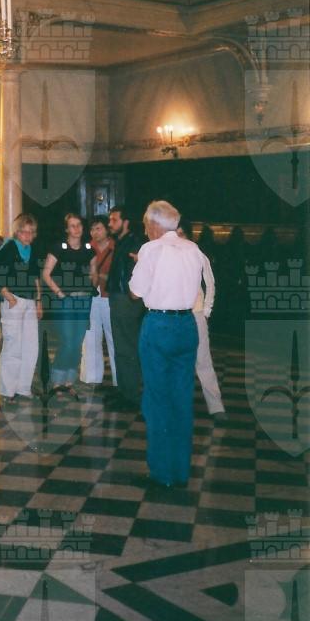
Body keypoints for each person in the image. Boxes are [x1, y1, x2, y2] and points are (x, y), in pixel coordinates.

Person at [129, 200, 204, 489]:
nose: (145, 230)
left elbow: (135, 292)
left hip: (159, 326)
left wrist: (141, 265)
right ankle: (180, 471)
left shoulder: (151, 249)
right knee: (182, 399)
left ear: (155, 224)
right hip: (187, 325)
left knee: (157, 399)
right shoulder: (193, 249)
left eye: (146, 224)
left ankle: (161, 473)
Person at [0, 213, 42, 404]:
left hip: (29, 301)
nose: (27, 236)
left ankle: (23, 387)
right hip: (14, 300)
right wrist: (8, 296)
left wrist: (39, 300)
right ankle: (7, 390)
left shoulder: (31, 250)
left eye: (31, 232)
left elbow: (36, 277)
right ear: (17, 232)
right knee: (13, 346)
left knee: (31, 346)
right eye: (24, 232)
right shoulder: (8, 248)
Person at [42, 213, 95, 399]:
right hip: (65, 301)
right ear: (66, 229)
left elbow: (94, 273)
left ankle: (69, 381)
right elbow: (46, 274)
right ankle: (57, 380)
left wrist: (92, 284)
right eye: (72, 225)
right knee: (67, 341)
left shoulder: (88, 249)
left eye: (79, 225)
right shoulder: (59, 248)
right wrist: (59, 293)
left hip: (84, 300)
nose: (76, 229)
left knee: (77, 342)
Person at [178, 219, 226, 421]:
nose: (178, 238)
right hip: (174, 315)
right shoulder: (166, 256)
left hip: (195, 313)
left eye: (181, 234)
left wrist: (206, 310)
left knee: (203, 360)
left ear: (188, 235)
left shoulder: (196, 253)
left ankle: (216, 406)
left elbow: (210, 282)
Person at [105, 205, 144, 411]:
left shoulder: (134, 243)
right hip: (118, 297)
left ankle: (131, 396)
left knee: (127, 347)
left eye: (114, 220)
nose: (110, 224)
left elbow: (135, 273)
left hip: (126, 300)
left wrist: (130, 294)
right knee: (121, 346)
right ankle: (124, 390)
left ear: (125, 222)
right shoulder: (122, 241)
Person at [81, 216, 117, 390]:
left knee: (114, 337)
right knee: (91, 337)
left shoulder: (116, 248)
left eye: (98, 228)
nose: (94, 233)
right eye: (92, 229)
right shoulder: (86, 249)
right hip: (92, 296)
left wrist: (100, 276)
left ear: (107, 230)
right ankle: (92, 378)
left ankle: (119, 380)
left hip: (110, 297)